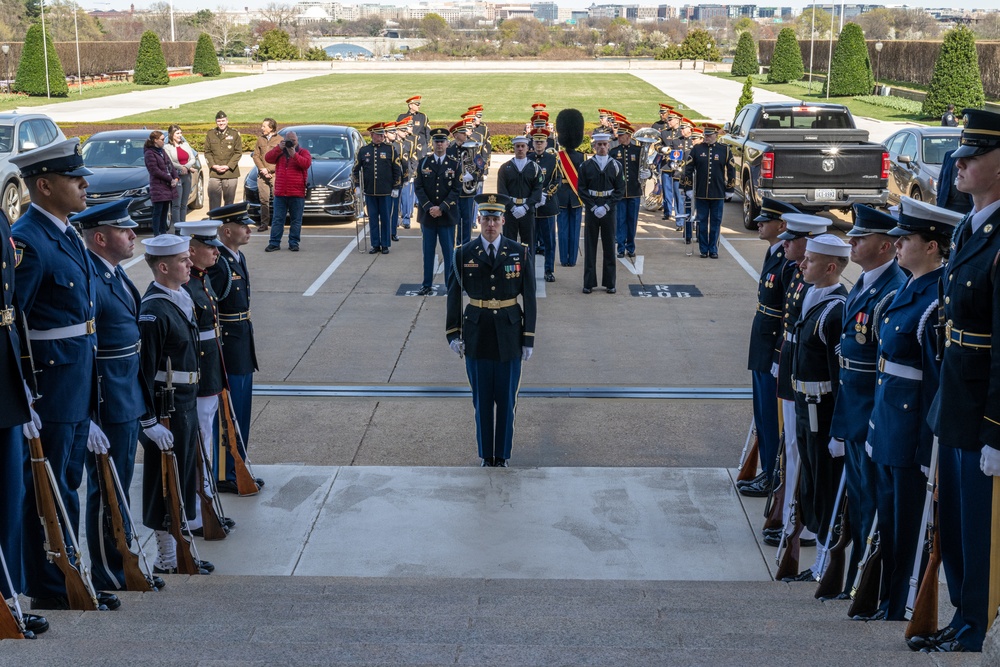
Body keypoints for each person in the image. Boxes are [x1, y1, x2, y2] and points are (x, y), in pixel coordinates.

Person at [10, 138, 121, 612]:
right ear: (45, 185)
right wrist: (24, 394)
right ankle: (53, 585)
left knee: (67, 483)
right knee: (47, 491)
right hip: (50, 389)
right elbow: (12, 320)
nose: (83, 184)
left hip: (76, 383)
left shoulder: (66, 230)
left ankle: (72, 573)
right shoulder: (28, 239)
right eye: (74, 179)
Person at [914, 108, 1000, 654]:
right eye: (960, 154)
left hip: (983, 410)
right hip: (955, 399)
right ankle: (960, 617)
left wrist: (996, 429)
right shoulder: (969, 226)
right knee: (957, 525)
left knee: (979, 528)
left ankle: (976, 625)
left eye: (974, 156)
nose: (960, 162)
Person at [867, 197, 963, 621]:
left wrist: (929, 452)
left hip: (911, 430)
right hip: (889, 420)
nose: (898, 245)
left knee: (907, 523)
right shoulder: (907, 289)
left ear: (932, 246)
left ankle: (899, 602)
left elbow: (935, 385)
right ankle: (884, 597)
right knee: (887, 517)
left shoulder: (935, 302)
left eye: (906, 239)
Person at [75, 199, 168, 594]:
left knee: (120, 483)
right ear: (100, 238)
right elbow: (86, 353)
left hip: (125, 397)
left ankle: (123, 558)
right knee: (106, 489)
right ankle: (108, 571)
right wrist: (87, 414)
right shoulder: (91, 279)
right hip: (105, 402)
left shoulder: (112, 273)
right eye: (124, 230)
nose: (133, 235)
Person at [827, 204, 906, 603]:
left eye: (861, 237)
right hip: (854, 411)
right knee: (859, 503)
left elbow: (881, 368)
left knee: (873, 505)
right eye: (853, 235)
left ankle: (866, 586)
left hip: (871, 415)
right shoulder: (864, 282)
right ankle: (855, 581)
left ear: (887, 245)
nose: (852, 241)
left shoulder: (890, 289)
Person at [136, 234, 213, 576]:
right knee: (161, 481)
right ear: (163, 267)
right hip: (165, 408)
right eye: (183, 261)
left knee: (181, 478)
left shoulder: (179, 296)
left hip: (183, 402)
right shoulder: (153, 310)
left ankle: (181, 548)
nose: (190, 264)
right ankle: (166, 555)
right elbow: (143, 370)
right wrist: (148, 421)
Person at [446, 193, 536, 468]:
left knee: (507, 402)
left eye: (495, 219)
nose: (491, 225)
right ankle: (487, 455)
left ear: (503, 221)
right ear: (478, 220)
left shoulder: (519, 251)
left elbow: (529, 297)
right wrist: (453, 333)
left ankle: (503, 456)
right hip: (477, 333)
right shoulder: (463, 253)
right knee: (482, 402)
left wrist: (528, 337)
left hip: (509, 334)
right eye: (486, 219)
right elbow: (453, 294)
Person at [786, 233, 850, 582]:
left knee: (825, 485)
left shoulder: (836, 309)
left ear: (829, 267)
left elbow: (840, 377)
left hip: (821, 412)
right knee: (810, 479)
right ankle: (815, 540)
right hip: (803, 405)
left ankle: (826, 560)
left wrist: (838, 429)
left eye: (808, 260)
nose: (801, 263)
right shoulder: (813, 294)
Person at [767, 213, 831, 549]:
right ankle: (793, 512)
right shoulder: (799, 275)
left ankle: (800, 517)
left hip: (808, 383)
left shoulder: (823, 291)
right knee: (791, 446)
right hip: (792, 369)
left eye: (795, 240)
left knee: (800, 449)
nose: (787, 243)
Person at [0, 207, 49, 635]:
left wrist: (23, 381)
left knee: (9, 500)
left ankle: (9, 597)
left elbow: (12, 309)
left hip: (5, 380)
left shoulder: (0, 219)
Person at [175, 219, 237, 537]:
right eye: (209, 247)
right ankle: (197, 516)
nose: (215, 251)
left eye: (215, 245)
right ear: (191, 250)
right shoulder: (185, 286)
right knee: (199, 448)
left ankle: (207, 508)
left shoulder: (202, 279)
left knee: (206, 445)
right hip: (198, 380)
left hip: (210, 376)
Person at [738, 198, 799, 500]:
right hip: (761, 340)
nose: (759, 223)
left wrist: (778, 354)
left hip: (772, 345)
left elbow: (788, 314)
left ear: (783, 225)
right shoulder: (773, 252)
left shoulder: (789, 263)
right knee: (762, 413)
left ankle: (773, 475)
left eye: (766, 220)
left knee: (773, 419)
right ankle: (766, 470)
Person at [206, 203, 263, 493]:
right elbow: (207, 305)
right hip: (229, 343)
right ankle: (225, 472)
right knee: (229, 412)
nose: (249, 230)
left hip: (241, 340)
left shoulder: (234, 257)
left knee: (241, 410)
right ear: (226, 231)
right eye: (243, 226)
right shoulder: (220, 263)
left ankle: (238, 464)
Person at [414, 128, 460, 297]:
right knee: (428, 252)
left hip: (446, 216)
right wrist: (429, 207)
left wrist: (441, 208)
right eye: (436, 141)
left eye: (442, 141)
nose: (439, 144)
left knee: (449, 253)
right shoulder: (424, 163)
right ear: (432, 144)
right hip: (428, 216)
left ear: (447, 143)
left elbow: (457, 189)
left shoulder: (454, 164)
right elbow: (418, 187)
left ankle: (450, 284)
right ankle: (426, 284)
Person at [578, 132, 625, 294]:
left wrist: (606, 207)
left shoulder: (616, 165)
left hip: (608, 208)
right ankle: (588, 283)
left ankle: (610, 283)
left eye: (605, 144)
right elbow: (582, 190)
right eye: (599, 145)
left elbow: (620, 190)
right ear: (594, 146)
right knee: (590, 246)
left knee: (609, 245)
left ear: (608, 146)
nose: (602, 147)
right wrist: (592, 207)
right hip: (592, 208)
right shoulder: (586, 166)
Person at [683, 123, 736, 259]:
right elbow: (688, 169)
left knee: (715, 223)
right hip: (701, 192)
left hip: (718, 192)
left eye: (709, 135)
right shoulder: (697, 149)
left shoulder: (724, 150)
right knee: (702, 222)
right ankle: (703, 249)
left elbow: (731, 170)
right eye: (705, 134)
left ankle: (713, 249)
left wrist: (730, 188)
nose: (706, 137)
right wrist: (688, 187)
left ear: (715, 135)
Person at [354, 123, 401, 255]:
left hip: (386, 191)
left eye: (382, 134)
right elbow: (356, 170)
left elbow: (397, 169)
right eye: (378, 134)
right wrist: (357, 186)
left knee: (386, 218)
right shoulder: (364, 150)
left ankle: (385, 244)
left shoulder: (390, 149)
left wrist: (396, 186)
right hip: (370, 191)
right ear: (372, 134)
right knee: (373, 219)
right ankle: (375, 244)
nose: (381, 136)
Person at [264, 130, 312, 253]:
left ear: (297, 141)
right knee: (277, 219)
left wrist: (294, 154)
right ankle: (274, 243)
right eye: (289, 140)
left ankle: (294, 243)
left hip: (297, 192)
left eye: (293, 141)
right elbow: (268, 158)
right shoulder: (280, 152)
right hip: (280, 193)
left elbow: (306, 164)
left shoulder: (303, 152)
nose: (291, 143)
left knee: (296, 220)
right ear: (284, 140)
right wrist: (279, 148)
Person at [496, 136, 543, 253]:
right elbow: (502, 190)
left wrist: (525, 207)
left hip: (527, 211)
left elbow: (537, 191)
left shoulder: (535, 168)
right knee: (508, 244)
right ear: (514, 148)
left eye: (523, 146)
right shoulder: (504, 168)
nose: (520, 149)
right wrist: (512, 207)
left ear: (527, 148)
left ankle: (528, 271)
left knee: (529, 246)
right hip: (510, 212)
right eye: (518, 146)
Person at [446, 121, 484, 244]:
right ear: (456, 134)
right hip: (453, 191)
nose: (465, 135)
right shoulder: (449, 150)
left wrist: (472, 176)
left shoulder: (472, 148)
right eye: (462, 133)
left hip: (467, 192)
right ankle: (452, 245)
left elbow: (480, 166)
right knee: (452, 219)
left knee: (467, 220)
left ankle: (465, 244)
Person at [609, 124, 642, 259]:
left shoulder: (638, 150)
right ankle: (621, 247)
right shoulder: (614, 151)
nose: (619, 138)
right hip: (620, 192)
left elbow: (645, 167)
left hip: (634, 191)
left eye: (621, 135)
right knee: (620, 220)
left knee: (632, 221)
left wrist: (647, 173)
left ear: (628, 136)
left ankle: (631, 246)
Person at [531, 128, 560, 282]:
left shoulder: (553, 160)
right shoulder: (528, 158)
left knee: (549, 242)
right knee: (530, 242)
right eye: (536, 142)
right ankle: (529, 270)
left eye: (541, 142)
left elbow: (557, 181)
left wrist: (545, 194)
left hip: (547, 207)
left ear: (546, 143)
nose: (539, 145)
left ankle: (549, 270)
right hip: (531, 208)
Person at [204, 110, 241, 210]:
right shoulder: (210, 134)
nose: (221, 123)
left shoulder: (234, 134)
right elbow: (207, 152)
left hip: (230, 173)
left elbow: (238, 152)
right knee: (214, 202)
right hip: (215, 173)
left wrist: (228, 166)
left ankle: (227, 224)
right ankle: (215, 224)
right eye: (219, 121)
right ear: (216, 122)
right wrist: (213, 165)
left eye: (223, 121)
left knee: (229, 203)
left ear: (227, 121)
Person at [143, 130, 178, 237]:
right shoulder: (149, 153)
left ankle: (163, 232)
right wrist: (169, 179)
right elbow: (154, 170)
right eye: (162, 140)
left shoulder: (162, 151)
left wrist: (175, 177)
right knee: (157, 211)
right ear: (155, 140)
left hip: (167, 187)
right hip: (158, 186)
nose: (164, 142)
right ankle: (157, 234)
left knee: (165, 211)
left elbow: (170, 165)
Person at [163, 125, 197, 228]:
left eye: (180, 133)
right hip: (176, 177)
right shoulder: (167, 147)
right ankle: (177, 227)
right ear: (171, 135)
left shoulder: (185, 145)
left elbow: (192, 159)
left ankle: (183, 226)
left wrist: (186, 167)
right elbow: (170, 162)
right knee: (176, 204)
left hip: (187, 176)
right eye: (177, 133)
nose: (180, 135)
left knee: (184, 204)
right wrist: (182, 167)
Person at [251, 118, 281, 233]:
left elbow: (281, 159)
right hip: (262, 175)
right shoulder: (260, 140)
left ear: (271, 128)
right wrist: (263, 169)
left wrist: (269, 170)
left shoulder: (280, 140)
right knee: (264, 201)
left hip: (275, 175)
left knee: (278, 200)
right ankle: (264, 223)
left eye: (264, 126)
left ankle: (277, 223)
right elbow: (256, 156)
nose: (262, 128)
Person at [396, 117, 418, 231]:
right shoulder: (393, 144)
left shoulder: (409, 143)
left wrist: (412, 173)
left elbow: (413, 159)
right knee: (396, 200)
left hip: (406, 175)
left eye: (406, 130)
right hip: (396, 177)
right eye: (403, 130)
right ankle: (396, 220)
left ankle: (406, 220)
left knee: (406, 199)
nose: (405, 132)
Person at [935, 148, 973, 215]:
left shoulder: (974, 156)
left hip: (967, 207)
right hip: (947, 206)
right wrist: (939, 199)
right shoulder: (949, 155)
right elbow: (941, 179)